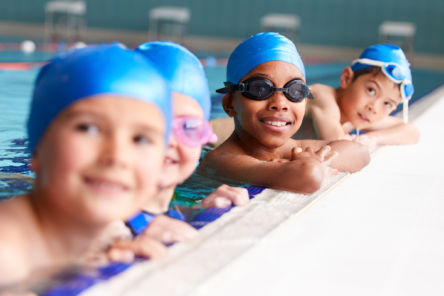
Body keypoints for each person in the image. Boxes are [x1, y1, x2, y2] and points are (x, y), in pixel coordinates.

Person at [0, 43, 173, 286]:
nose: (117, 156)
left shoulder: (109, 236)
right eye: (88, 128)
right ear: (37, 146)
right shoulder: (6, 252)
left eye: (141, 139)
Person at [107, 41, 250, 261]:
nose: (169, 141)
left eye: (188, 127)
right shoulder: (96, 225)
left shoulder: (172, 208)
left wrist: (199, 211)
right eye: (152, 125)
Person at [199, 32, 370, 194]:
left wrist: (314, 162)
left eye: (294, 90)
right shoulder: (221, 161)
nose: (280, 104)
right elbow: (308, 177)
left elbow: (359, 152)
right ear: (230, 104)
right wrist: (311, 164)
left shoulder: (293, 149)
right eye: (260, 89)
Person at [308, 44, 420, 148]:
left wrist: (373, 138)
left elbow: (411, 132)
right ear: (346, 78)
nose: (374, 107)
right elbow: (338, 146)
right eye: (371, 90)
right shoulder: (323, 97)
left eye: (387, 103)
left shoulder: (361, 115)